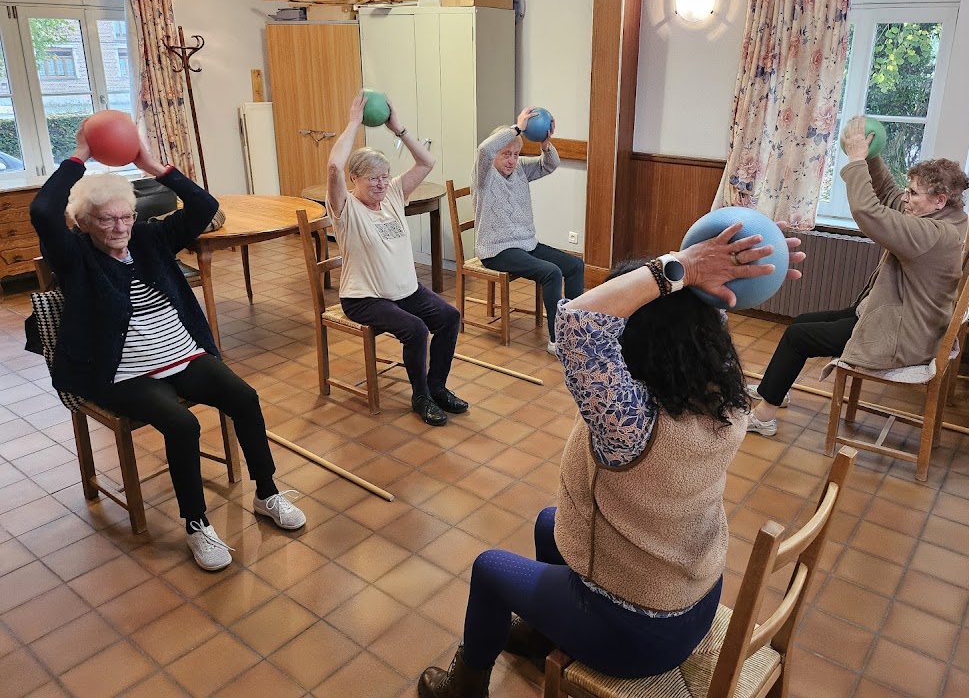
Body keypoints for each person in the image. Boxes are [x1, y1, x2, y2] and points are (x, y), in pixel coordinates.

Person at [417, 223, 804, 697]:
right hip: (695, 600)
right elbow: (699, 307)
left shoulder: (630, 423)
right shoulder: (727, 398)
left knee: (490, 569)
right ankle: (545, 633)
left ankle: (464, 688)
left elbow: (577, 323)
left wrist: (682, 267)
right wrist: (746, 257)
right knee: (548, 522)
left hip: (636, 635)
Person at [29, 125, 305, 573]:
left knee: (245, 397)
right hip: (124, 373)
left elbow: (206, 208)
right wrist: (77, 157)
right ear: (83, 223)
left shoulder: (149, 238)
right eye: (107, 220)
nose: (119, 228)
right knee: (182, 424)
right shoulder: (75, 254)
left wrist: (155, 167)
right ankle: (197, 525)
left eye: (125, 217)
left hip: (183, 355)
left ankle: (266, 492)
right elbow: (43, 210)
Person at [746, 115, 969, 437]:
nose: (905, 198)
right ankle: (775, 391)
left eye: (914, 193)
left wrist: (854, 162)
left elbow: (870, 213)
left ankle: (764, 415)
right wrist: (870, 154)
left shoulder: (932, 234)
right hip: (894, 316)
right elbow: (891, 198)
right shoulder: (947, 218)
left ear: (939, 200)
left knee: (798, 338)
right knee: (802, 322)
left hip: (900, 334)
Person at [327, 91, 466, 427]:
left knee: (449, 317)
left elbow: (426, 162)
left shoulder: (392, 195)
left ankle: (437, 388)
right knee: (416, 329)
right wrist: (353, 123)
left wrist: (398, 128)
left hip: (406, 290)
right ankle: (420, 397)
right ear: (354, 180)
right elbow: (334, 165)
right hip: (364, 297)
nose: (381, 183)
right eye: (373, 178)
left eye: (384, 176)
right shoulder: (345, 208)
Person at [472, 108, 584, 354]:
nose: (512, 160)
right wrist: (517, 128)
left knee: (576, 266)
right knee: (551, 273)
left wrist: (545, 144)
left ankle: (574, 329)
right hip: (496, 249)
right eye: (506, 154)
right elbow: (484, 149)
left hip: (526, 244)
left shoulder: (520, 169)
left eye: (516, 153)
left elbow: (550, 165)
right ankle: (558, 340)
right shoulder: (484, 174)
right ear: (495, 155)